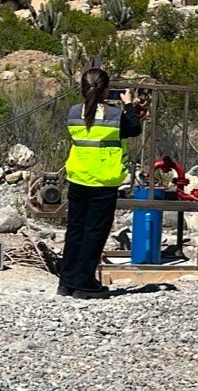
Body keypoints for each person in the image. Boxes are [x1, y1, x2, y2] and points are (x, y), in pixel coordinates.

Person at [58, 67, 143, 299]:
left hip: (78, 177)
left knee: (75, 230)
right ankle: (84, 283)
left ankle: (66, 281)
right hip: (103, 180)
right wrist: (129, 105)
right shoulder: (115, 116)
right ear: (106, 90)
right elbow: (134, 128)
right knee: (94, 232)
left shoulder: (74, 112)